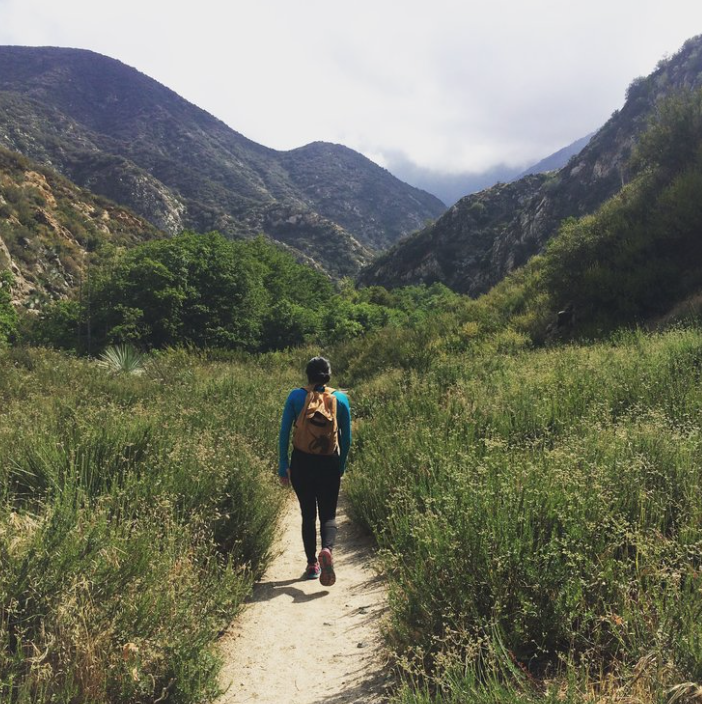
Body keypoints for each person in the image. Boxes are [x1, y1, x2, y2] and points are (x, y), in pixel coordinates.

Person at [279, 356, 351, 586]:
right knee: (328, 514)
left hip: (302, 462)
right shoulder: (340, 398)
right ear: (328, 375)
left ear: (307, 374)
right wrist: (340, 466)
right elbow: (346, 439)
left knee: (308, 514)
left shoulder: (295, 396)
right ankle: (327, 550)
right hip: (329, 462)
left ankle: (312, 565)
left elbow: (283, 435)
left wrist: (284, 465)